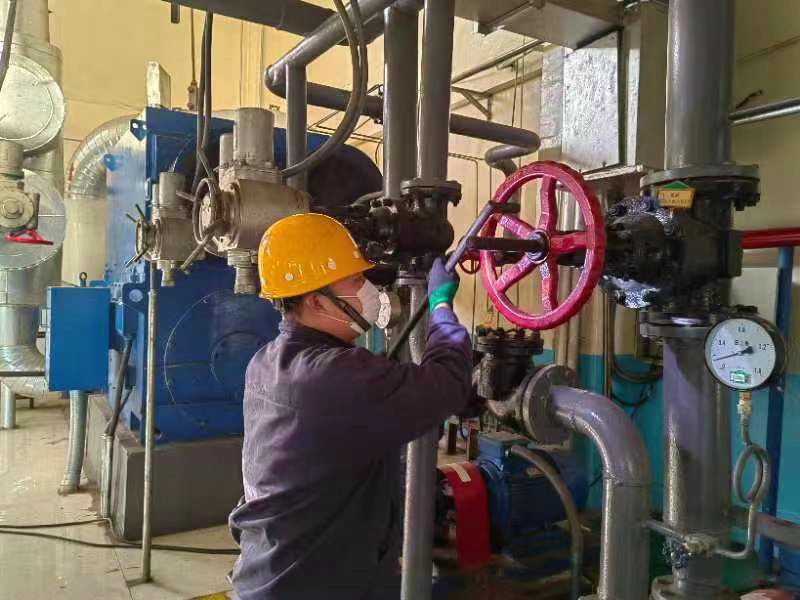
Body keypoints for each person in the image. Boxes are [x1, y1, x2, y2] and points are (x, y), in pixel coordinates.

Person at [229, 213, 473, 600]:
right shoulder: (334, 376)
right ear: (316, 300)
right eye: (356, 281)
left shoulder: (265, 361)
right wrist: (441, 306)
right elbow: (447, 383)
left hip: (268, 568)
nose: (369, 290)